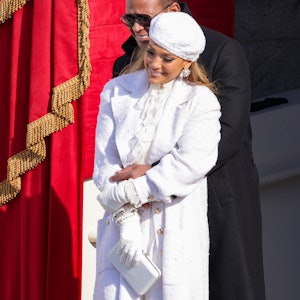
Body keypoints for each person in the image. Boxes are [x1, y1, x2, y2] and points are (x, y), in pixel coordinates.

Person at [111, 1, 266, 300]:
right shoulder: (126, 62)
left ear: (172, 10)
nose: (136, 29)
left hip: (217, 203)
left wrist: (154, 175)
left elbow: (228, 136)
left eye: (143, 18)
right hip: (148, 209)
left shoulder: (222, 52)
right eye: (129, 19)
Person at [93, 12, 221, 300]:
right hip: (122, 233)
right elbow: (105, 167)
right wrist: (126, 224)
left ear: (187, 63)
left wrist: (136, 185)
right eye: (152, 52)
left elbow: (188, 166)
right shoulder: (116, 92)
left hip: (176, 231)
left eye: (167, 58)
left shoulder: (201, 103)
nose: (154, 63)